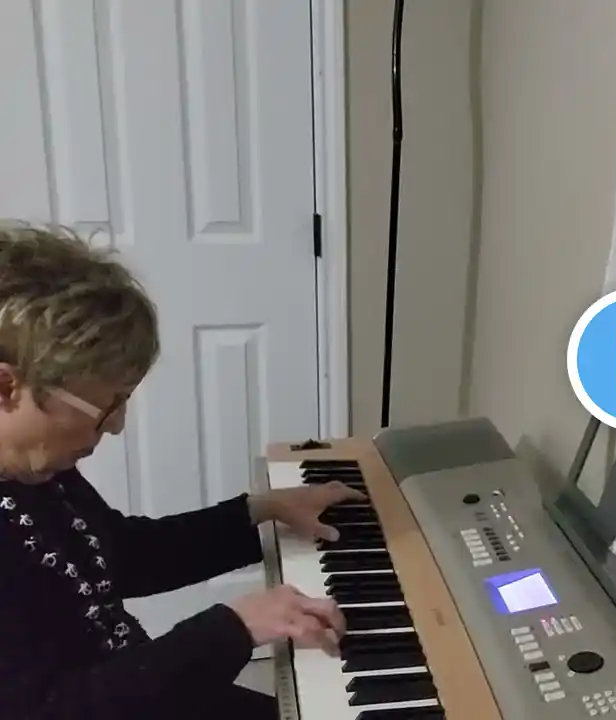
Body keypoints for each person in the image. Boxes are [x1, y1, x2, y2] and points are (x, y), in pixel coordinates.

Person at [0, 222, 364, 719]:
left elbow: (119, 555)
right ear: (7, 388)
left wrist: (260, 512)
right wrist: (233, 627)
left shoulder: (35, 474)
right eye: (106, 407)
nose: (116, 426)